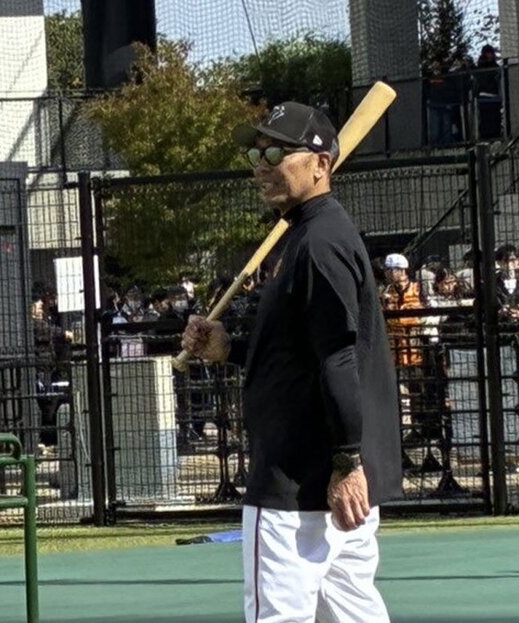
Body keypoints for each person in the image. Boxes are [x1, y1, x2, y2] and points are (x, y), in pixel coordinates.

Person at [181, 102, 401, 623]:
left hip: (300, 481)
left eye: (277, 153)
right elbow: (299, 357)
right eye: (257, 154)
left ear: (321, 164)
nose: (262, 165)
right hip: (324, 479)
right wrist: (229, 350)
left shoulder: (318, 244)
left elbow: (339, 358)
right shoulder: (312, 235)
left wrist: (347, 462)